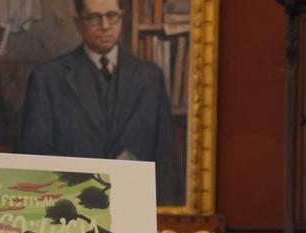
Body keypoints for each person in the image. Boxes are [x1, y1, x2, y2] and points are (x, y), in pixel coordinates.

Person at [19, 0, 183, 205]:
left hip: (135, 206)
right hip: (73, 208)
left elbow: (164, 158)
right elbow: (36, 157)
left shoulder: (150, 77)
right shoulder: (48, 78)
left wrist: (163, 217)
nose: (105, 26)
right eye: (94, 17)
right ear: (78, 23)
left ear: (121, 18)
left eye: (112, 16)